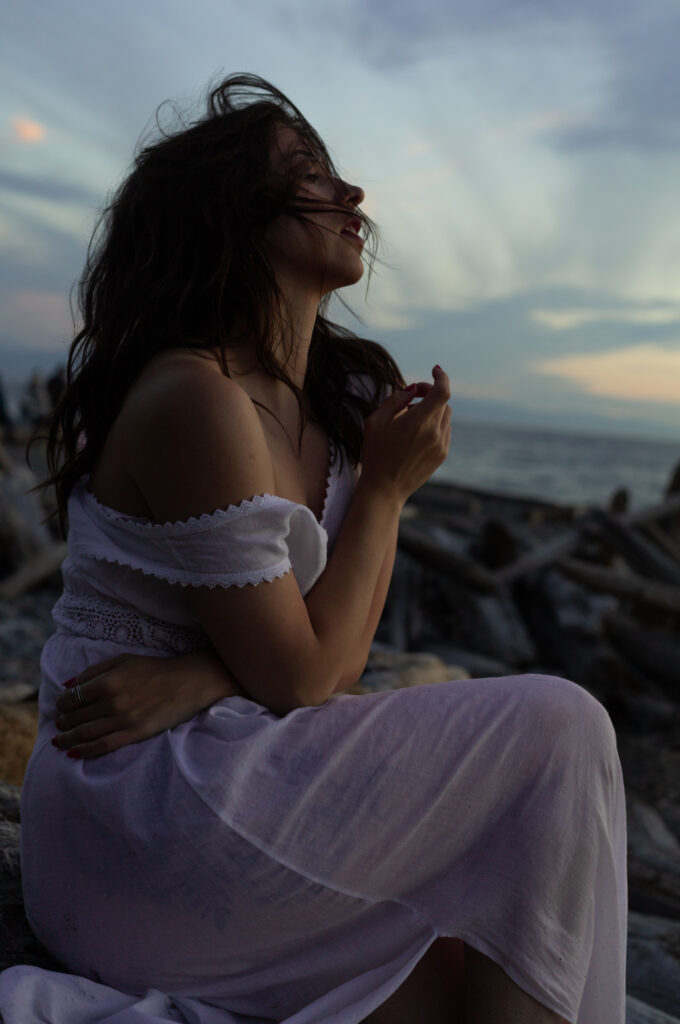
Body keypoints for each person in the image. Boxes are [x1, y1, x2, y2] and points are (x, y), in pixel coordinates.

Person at [0, 74, 626, 1024]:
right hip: (130, 818)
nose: (352, 197)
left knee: (458, 975)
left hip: (220, 773)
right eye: (309, 175)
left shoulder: (322, 404)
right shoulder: (195, 397)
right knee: (561, 725)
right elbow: (308, 680)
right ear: (229, 218)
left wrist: (207, 672)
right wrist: (385, 489)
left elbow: (325, 657)